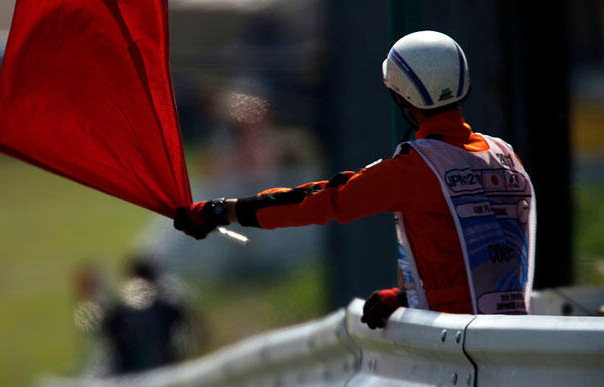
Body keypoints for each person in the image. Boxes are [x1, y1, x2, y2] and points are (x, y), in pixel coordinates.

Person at [174, 30, 536, 328]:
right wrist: (409, 297)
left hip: (461, 343)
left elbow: (322, 199)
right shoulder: (505, 155)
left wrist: (222, 211)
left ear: (398, 94)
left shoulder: (415, 169)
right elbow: (487, 259)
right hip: (515, 333)